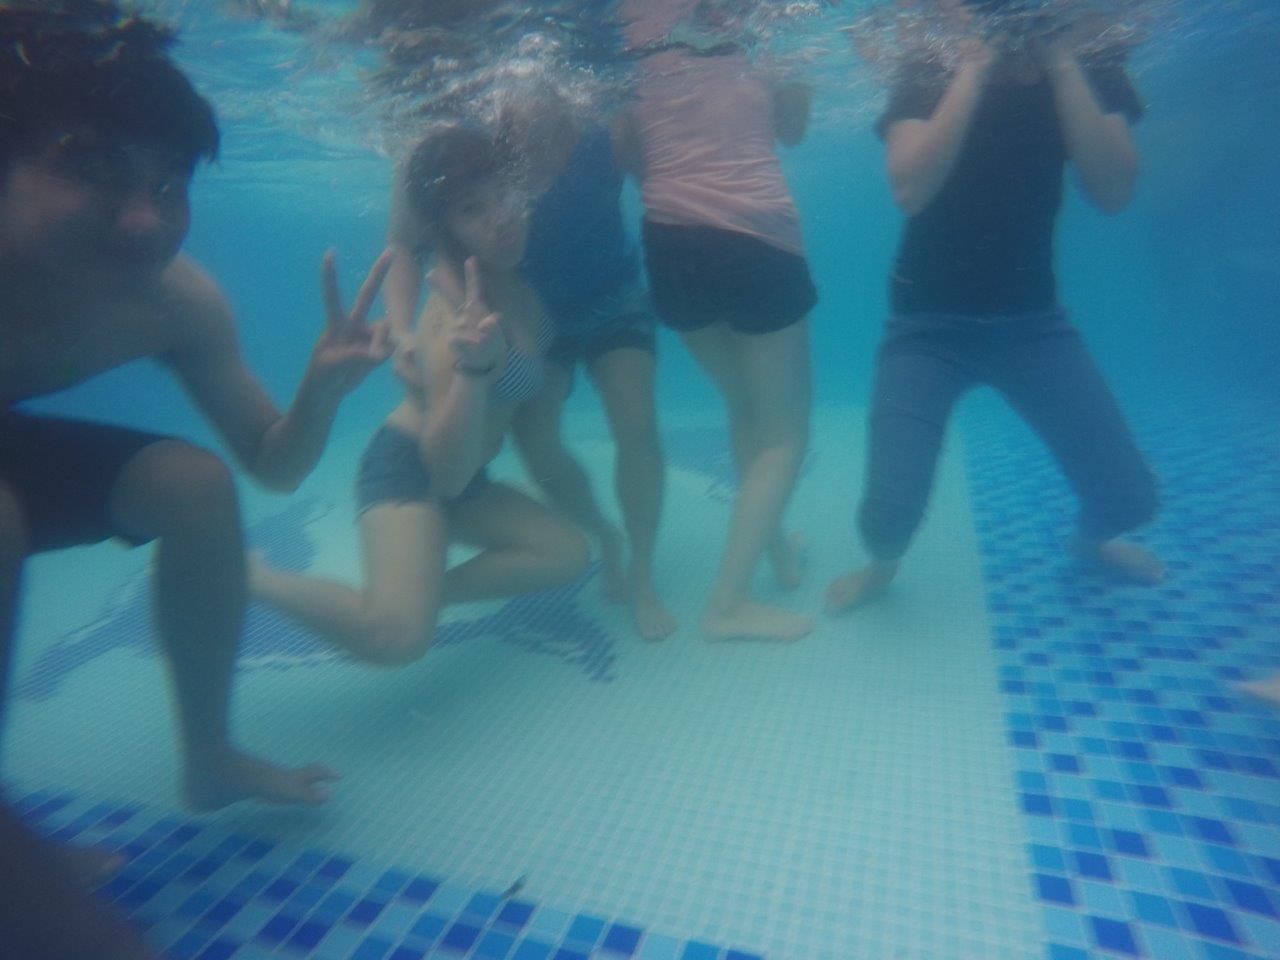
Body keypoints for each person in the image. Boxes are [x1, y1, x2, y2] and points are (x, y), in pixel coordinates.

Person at [0, 2, 387, 953]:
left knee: (195, 485)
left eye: (168, 185)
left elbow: (271, 462)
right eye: (89, 167)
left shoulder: (175, 304)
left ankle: (210, 756)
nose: (142, 222)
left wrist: (320, 394)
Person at [827, 0, 1162, 614]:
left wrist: (1061, 64)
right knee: (886, 518)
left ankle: (1090, 543)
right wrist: (973, 67)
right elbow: (910, 188)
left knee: (1131, 501)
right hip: (926, 329)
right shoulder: (930, 68)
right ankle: (882, 566)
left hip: (1033, 325)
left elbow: (1113, 191)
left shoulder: (1090, 64)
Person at [250, 125, 590, 663]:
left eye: (504, 196)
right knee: (396, 641)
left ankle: (422, 597)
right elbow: (446, 475)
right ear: (446, 229)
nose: (500, 218)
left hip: (465, 477)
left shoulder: (515, 280)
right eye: (472, 210)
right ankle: (254, 577)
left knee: (567, 553)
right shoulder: (451, 319)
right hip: (412, 470)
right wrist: (473, 370)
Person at [617, 0, 819, 643]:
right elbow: (793, 129)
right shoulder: (760, 15)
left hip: (669, 241)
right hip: (756, 235)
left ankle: (776, 551)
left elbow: (625, 148)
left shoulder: (626, 19)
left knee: (744, 407)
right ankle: (727, 605)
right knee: (785, 436)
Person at [495, 82, 674, 642]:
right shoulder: (495, 156)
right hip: (538, 315)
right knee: (535, 443)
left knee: (637, 427)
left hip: (615, 299)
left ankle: (642, 573)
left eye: (549, 123)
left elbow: (661, 185)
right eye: (526, 126)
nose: (539, 135)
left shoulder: (606, 129)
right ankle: (604, 534)